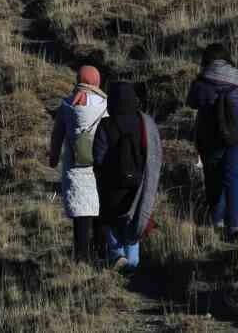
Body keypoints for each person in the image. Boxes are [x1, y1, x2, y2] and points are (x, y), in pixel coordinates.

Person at [186, 44, 238, 242]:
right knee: (233, 179)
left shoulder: (201, 82)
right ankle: (235, 225)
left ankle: (217, 221)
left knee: (213, 178)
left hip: (210, 138)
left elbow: (191, 103)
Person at [93, 80, 162, 272]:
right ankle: (132, 263)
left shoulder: (105, 124)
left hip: (112, 182)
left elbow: (98, 157)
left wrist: (101, 175)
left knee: (109, 219)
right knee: (134, 219)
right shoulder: (145, 123)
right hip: (140, 182)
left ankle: (117, 255)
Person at [48, 65, 109, 263]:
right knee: (100, 208)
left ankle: (81, 258)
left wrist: (53, 158)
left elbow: (57, 135)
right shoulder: (105, 105)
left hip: (75, 167)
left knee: (81, 213)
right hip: (100, 165)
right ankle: (102, 254)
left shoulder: (67, 105)